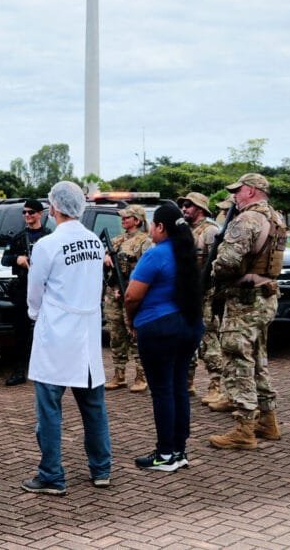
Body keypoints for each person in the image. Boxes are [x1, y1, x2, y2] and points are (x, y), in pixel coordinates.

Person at [22, 181, 111, 495]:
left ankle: (52, 475)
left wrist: (35, 314)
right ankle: (101, 468)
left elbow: (35, 289)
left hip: (57, 334)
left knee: (49, 409)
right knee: (94, 407)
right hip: (87, 333)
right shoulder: (94, 242)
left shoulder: (48, 245)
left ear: (54, 207)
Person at [124, 204, 204, 472]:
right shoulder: (186, 253)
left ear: (160, 227)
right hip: (189, 326)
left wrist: (131, 319)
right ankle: (179, 450)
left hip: (159, 328)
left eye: (153, 224)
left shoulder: (156, 254)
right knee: (179, 387)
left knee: (162, 391)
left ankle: (165, 453)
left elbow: (132, 295)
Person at [209, 173, 285, 449]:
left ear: (251, 191)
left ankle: (244, 429)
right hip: (266, 296)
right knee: (258, 358)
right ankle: (268, 420)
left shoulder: (247, 219)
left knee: (237, 358)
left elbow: (227, 262)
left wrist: (211, 273)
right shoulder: (276, 218)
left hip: (245, 300)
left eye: (238, 191)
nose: (234, 196)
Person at [177, 192, 224, 403]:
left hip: (205, 294)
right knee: (185, 339)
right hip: (185, 293)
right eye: (183, 205)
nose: (184, 208)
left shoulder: (210, 231)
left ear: (200, 208)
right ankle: (187, 382)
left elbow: (218, 265)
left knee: (208, 339)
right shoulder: (184, 231)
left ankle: (215, 385)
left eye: (188, 205)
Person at [0, 199, 50, 386]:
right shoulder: (19, 237)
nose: (27, 215)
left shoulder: (48, 236)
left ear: (40, 214)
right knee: (20, 331)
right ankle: (19, 370)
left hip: (46, 289)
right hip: (23, 288)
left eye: (31, 212)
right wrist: (17, 259)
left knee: (46, 331)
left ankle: (46, 370)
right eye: (25, 212)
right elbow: (4, 259)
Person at [103, 205, 152, 393]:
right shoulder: (117, 240)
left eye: (127, 217)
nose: (123, 220)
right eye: (122, 218)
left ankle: (141, 376)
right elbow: (105, 260)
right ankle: (119, 374)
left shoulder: (145, 242)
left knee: (135, 334)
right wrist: (106, 258)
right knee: (116, 334)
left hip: (132, 292)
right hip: (114, 293)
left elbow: (145, 269)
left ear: (137, 220)